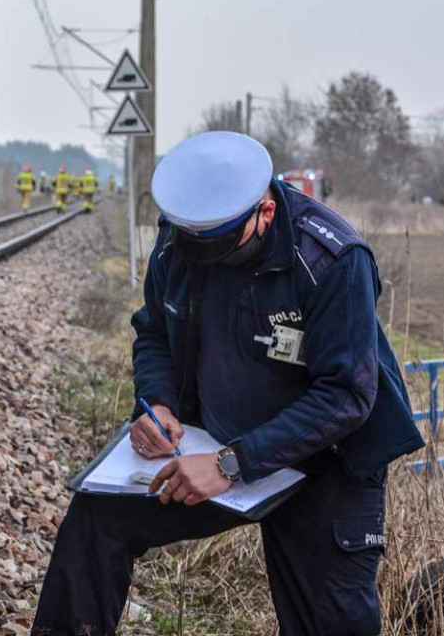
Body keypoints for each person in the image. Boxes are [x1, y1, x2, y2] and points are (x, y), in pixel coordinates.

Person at [32, 132, 424, 636]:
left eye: (220, 250)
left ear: (265, 212)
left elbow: (347, 394)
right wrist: (157, 403)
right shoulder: (178, 241)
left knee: (332, 622)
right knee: (97, 518)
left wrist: (230, 465)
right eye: (193, 248)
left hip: (326, 462)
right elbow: (154, 331)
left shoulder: (332, 259)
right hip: (214, 441)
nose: (206, 262)